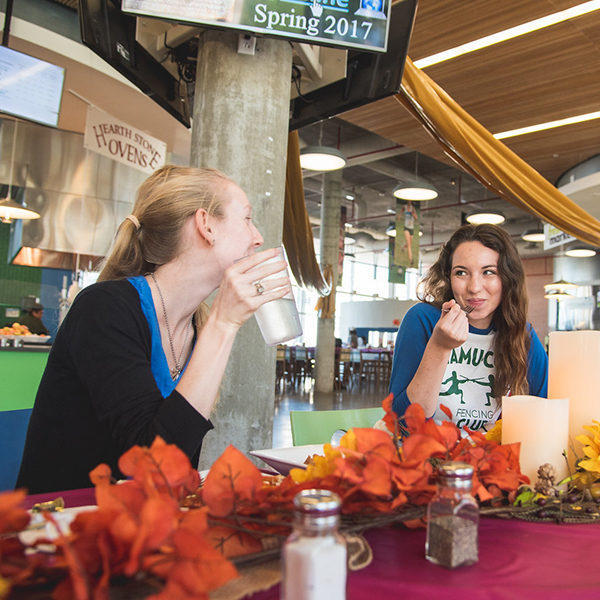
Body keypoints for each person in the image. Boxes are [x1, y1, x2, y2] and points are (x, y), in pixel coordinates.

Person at [16, 165, 291, 494]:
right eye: (247, 218)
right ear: (206, 225)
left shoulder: (195, 326)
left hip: (141, 527)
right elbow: (153, 464)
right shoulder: (103, 308)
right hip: (62, 527)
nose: (257, 237)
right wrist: (224, 322)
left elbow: (176, 475)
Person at [389, 223, 548, 435]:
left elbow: (546, 412)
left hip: (488, 459)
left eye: (489, 272)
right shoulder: (423, 319)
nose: (474, 287)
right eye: (461, 273)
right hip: (424, 459)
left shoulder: (522, 334)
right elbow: (401, 425)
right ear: (448, 277)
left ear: (508, 278)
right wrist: (439, 346)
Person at [400, 200, 418, 268]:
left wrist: (412, 214)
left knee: (409, 244)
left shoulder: (412, 209)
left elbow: (416, 218)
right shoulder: (404, 207)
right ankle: (411, 260)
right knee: (409, 245)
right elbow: (401, 211)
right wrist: (399, 217)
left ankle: (403, 246)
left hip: (411, 228)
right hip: (406, 228)